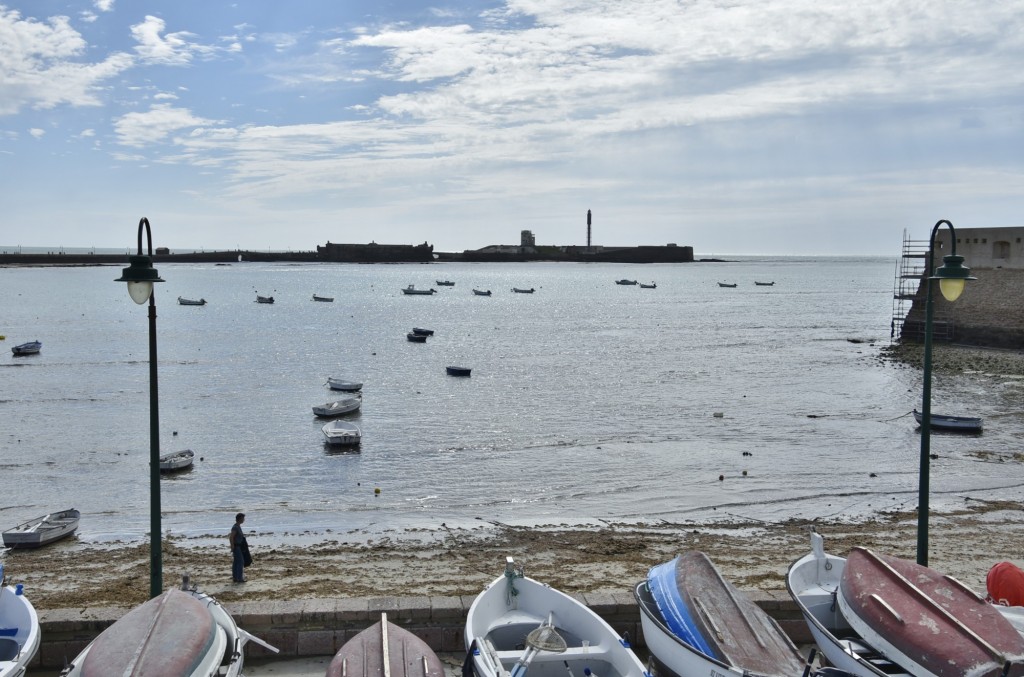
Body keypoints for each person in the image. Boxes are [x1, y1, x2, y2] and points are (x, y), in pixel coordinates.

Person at [229, 512, 248, 583]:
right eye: (243, 518)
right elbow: (231, 537)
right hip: (236, 546)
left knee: (236, 562)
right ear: (240, 519)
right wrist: (232, 546)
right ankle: (239, 578)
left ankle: (235, 577)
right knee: (240, 562)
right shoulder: (235, 527)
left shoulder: (238, 526)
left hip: (239, 546)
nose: (244, 520)